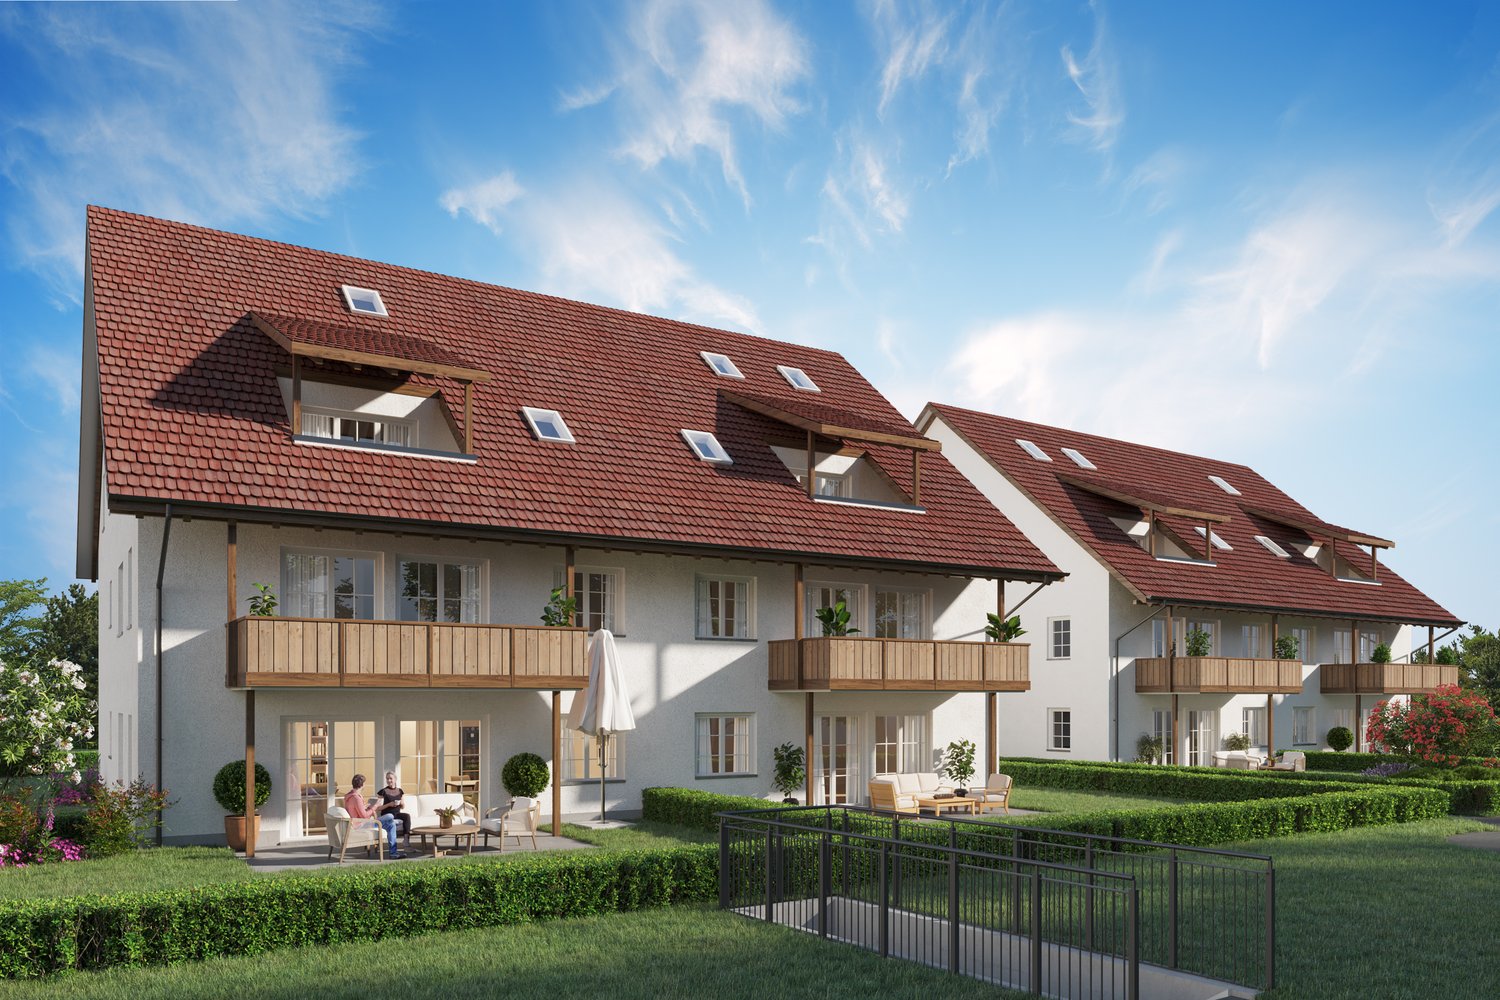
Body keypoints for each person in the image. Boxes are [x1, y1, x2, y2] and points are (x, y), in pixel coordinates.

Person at [343, 774, 403, 858]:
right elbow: (364, 816)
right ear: (362, 784)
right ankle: (394, 821)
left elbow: (355, 810)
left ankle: (393, 853)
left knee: (391, 825)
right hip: (361, 825)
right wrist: (375, 806)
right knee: (390, 816)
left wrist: (365, 807)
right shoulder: (356, 798)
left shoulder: (349, 796)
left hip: (358, 822)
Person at [375, 770, 411, 850]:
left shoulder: (400, 791)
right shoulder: (383, 792)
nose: (389, 780)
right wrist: (389, 804)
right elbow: (377, 808)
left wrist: (401, 804)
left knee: (407, 816)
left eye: (390, 778)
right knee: (390, 816)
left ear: (395, 779)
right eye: (387, 779)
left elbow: (402, 807)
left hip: (397, 814)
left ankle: (406, 840)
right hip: (387, 815)